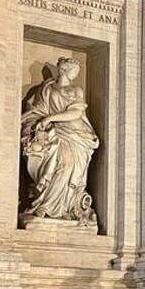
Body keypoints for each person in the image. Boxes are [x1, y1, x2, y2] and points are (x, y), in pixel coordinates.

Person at [21, 57, 99, 223]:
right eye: (74, 71)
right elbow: (35, 112)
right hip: (57, 133)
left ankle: (68, 207)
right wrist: (38, 124)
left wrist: (49, 118)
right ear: (64, 70)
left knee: (73, 169)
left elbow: (76, 113)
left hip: (78, 134)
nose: (75, 75)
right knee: (64, 165)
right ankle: (47, 206)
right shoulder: (46, 90)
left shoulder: (76, 90)